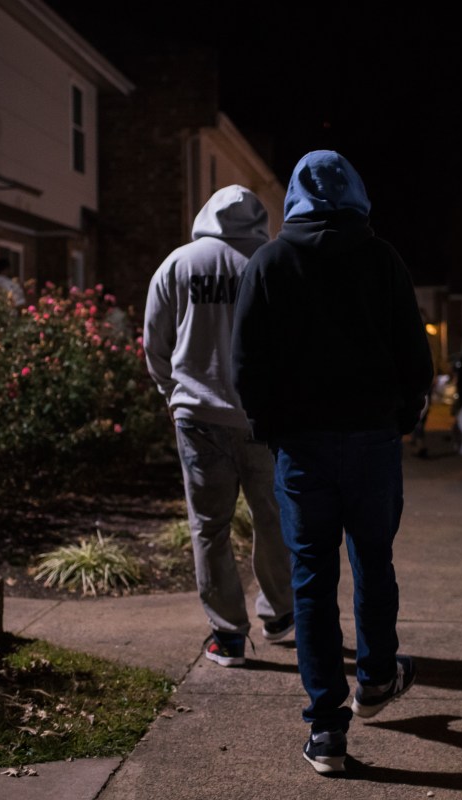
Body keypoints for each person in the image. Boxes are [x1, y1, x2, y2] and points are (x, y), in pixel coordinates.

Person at [230, 151, 435, 775]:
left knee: (312, 578)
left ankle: (326, 729)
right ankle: (375, 678)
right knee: (374, 559)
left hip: (303, 445)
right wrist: (399, 419)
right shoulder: (382, 259)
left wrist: (272, 427)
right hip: (371, 439)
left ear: (294, 195)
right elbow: (415, 358)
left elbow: (247, 364)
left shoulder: (269, 261)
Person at [143, 184, 295, 669]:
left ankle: (228, 635)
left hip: (200, 418)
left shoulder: (180, 264)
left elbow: (155, 342)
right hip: (264, 418)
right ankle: (279, 613)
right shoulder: (275, 262)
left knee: (209, 527)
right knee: (273, 518)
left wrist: (174, 395)